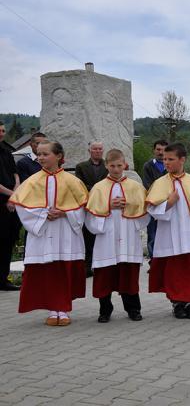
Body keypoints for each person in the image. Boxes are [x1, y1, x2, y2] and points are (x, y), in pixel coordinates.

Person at [9, 141, 88, 325]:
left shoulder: (73, 181)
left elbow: (83, 207)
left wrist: (65, 212)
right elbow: (22, 207)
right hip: (43, 232)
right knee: (48, 271)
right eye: (39, 154)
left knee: (63, 270)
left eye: (45, 154)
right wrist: (43, 214)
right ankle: (53, 309)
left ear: (58, 156)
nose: (40, 158)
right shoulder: (32, 181)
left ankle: (64, 310)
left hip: (65, 231)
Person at [145, 142, 190, 319]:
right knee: (174, 272)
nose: (166, 162)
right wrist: (168, 203)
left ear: (182, 159)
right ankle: (177, 303)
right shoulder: (160, 183)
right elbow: (151, 210)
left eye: (171, 159)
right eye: (164, 159)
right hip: (169, 235)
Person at [85, 149, 150, 323]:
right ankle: (105, 310)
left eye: (119, 165)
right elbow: (90, 216)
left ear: (125, 165)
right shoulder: (99, 188)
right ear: (106, 165)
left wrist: (130, 207)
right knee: (105, 275)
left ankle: (133, 309)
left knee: (129, 274)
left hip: (128, 236)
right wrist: (108, 206)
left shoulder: (135, 187)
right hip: (107, 238)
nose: (115, 169)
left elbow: (145, 212)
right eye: (112, 166)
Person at [75, 141, 108, 277]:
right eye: (95, 149)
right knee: (87, 235)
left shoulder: (108, 165)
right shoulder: (81, 166)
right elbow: (80, 185)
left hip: (105, 204)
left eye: (100, 149)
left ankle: (102, 265)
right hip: (88, 205)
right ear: (89, 150)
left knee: (103, 235)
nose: (97, 151)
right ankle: (87, 265)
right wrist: (94, 191)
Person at [0, 121, 21, 291]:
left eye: (3, 130)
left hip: (10, 203)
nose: (1, 133)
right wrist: (12, 195)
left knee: (8, 241)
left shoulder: (7, 152)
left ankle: (3, 279)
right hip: (2, 201)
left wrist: (14, 194)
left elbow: (15, 175)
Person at [142, 139, 168, 259]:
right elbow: (148, 185)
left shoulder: (170, 165)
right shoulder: (148, 166)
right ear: (154, 150)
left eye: (163, 150)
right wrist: (160, 199)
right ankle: (153, 260)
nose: (161, 152)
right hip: (154, 204)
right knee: (152, 233)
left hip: (170, 205)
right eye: (158, 149)